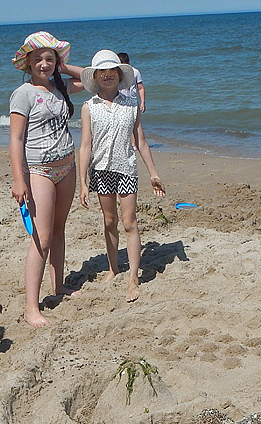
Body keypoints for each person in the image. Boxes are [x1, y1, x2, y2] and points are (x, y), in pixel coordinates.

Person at [10, 31, 85, 327]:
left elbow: (91, 79)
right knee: (40, 238)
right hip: (39, 171)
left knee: (58, 229)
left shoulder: (60, 87)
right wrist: (19, 180)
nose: (44, 64)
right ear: (28, 62)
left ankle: (58, 285)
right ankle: (31, 307)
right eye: (39, 59)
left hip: (67, 167)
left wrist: (63, 66)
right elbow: (16, 139)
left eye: (50, 59)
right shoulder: (23, 94)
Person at [78, 50, 165, 303]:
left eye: (112, 71)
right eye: (102, 72)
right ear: (95, 77)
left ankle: (133, 277)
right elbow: (85, 146)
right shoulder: (89, 107)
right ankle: (113, 269)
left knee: (129, 222)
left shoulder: (131, 104)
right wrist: (82, 182)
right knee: (109, 221)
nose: (108, 75)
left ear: (119, 74)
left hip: (126, 168)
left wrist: (154, 173)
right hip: (100, 170)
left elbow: (141, 141)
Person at [117, 52, 145, 150]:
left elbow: (140, 87)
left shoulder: (135, 72)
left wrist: (143, 102)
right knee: (121, 123)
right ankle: (127, 144)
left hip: (132, 101)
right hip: (119, 100)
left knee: (134, 123)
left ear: (128, 62)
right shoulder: (117, 73)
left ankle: (135, 144)